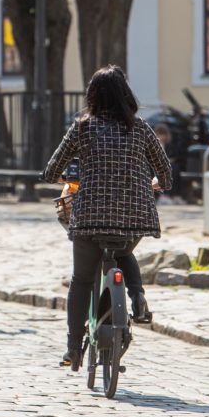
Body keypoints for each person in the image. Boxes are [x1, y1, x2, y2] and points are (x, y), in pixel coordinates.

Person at [42, 65, 172, 368]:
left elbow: (52, 168)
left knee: (81, 280)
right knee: (124, 248)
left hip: (90, 216)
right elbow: (164, 167)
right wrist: (160, 183)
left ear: (92, 95)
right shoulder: (140, 128)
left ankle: (73, 349)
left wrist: (56, 176)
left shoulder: (83, 127)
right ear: (125, 94)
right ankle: (137, 296)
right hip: (135, 215)